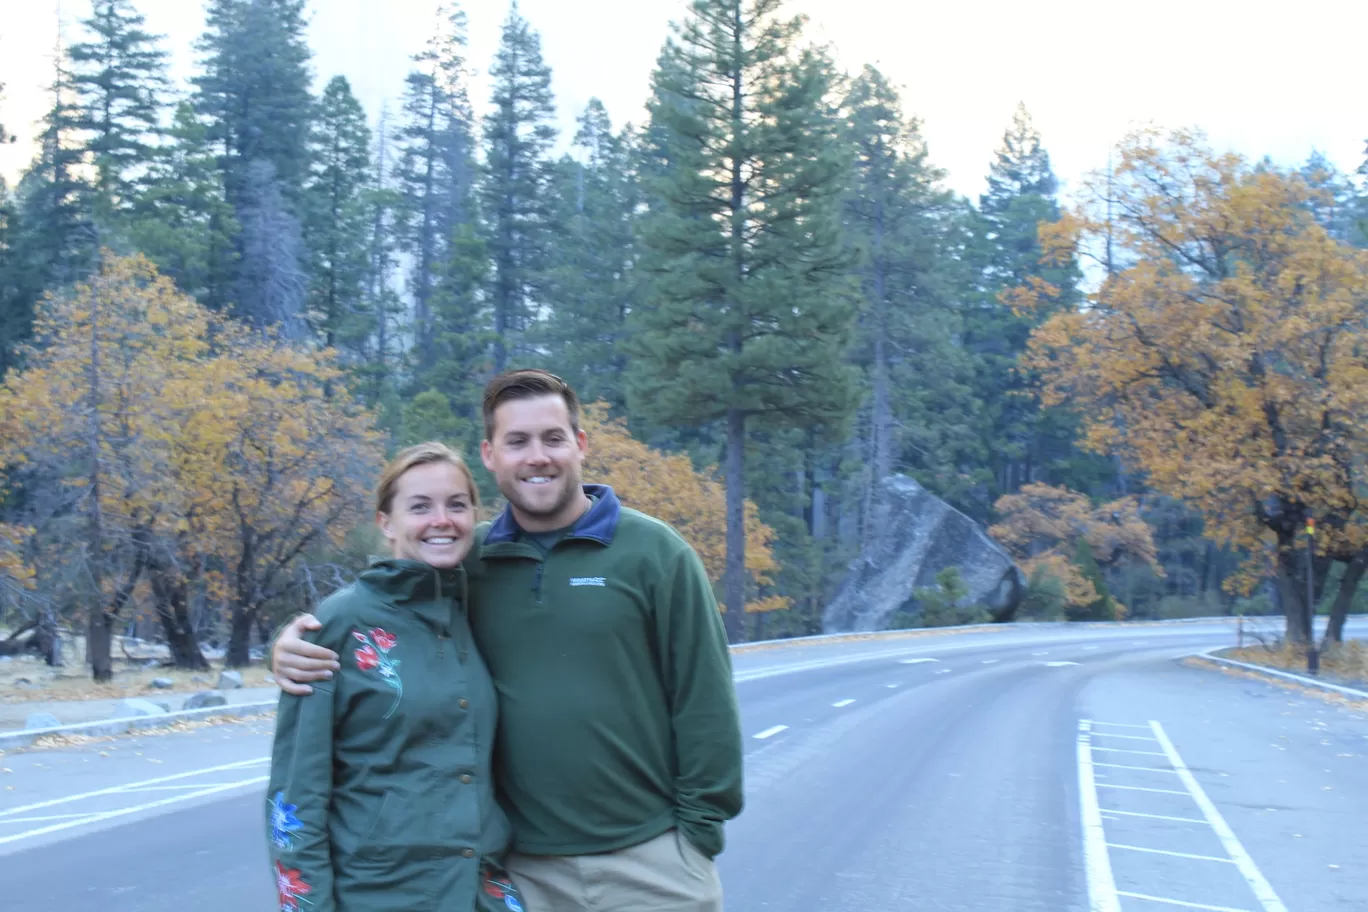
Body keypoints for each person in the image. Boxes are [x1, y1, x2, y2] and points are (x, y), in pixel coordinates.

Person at [272, 368, 744, 912]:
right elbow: (382, 610)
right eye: (517, 442)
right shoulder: (465, 566)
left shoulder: (656, 554)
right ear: (491, 455)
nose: (536, 457)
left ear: (580, 445)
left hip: (651, 862)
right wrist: (286, 645)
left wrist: (698, 834)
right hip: (518, 873)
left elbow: (704, 700)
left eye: (552, 438)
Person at [265, 442, 525, 912]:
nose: (441, 520)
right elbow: (294, 795)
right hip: (382, 894)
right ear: (386, 522)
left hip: (479, 888)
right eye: (420, 507)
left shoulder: (473, 610)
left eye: (457, 505)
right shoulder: (342, 623)